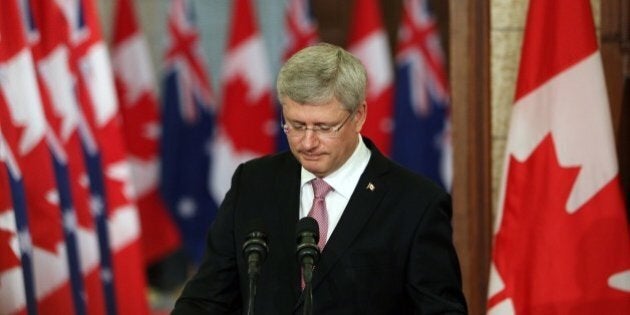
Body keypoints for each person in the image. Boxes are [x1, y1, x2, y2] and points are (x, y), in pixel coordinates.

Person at [171, 43, 467, 314]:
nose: (307, 142)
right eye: (296, 125)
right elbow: (206, 299)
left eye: (324, 127)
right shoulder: (253, 183)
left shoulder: (416, 204)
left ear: (359, 116)